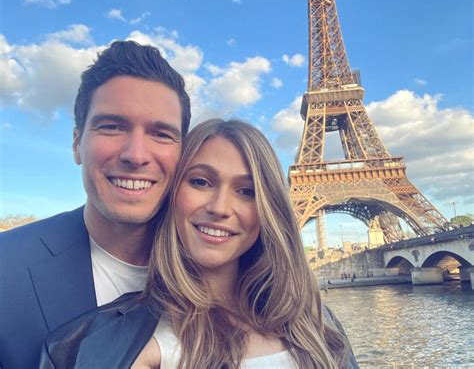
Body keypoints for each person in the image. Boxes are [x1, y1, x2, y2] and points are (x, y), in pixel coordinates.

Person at [41, 119, 358, 368]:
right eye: (201, 182)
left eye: (246, 191)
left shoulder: (316, 322)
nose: (220, 208)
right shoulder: (124, 346)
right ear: (172, 195)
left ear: (269, 210)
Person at [0, 40, 191, 369]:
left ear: (183, 152)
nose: (136, 155)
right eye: (112, 127)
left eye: (161, 134)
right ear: (77, 144)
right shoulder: (6, 268)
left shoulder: (232, 275)